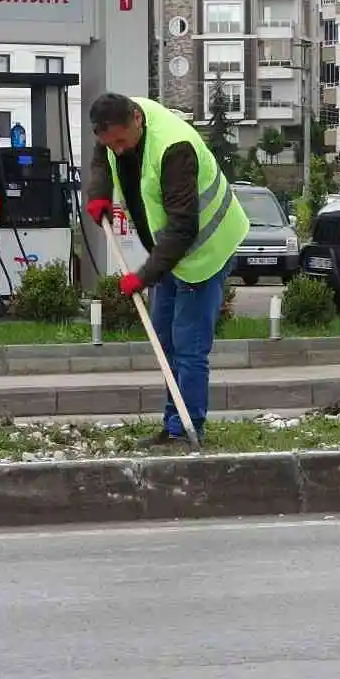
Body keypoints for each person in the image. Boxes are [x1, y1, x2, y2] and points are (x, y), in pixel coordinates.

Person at [85, 93, 250, 448]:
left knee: (188, 344)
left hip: (205, 248)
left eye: (121, 141)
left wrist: (143, 276)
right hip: (169, 253)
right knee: (164, 338)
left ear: (137, 119)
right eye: (109, 142)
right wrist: (99, 194)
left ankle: (187, 430)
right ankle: (173, 422)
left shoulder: (174, 149)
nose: (118, 150)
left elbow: (183, 228)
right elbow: (101, 160)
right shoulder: (115, 127)